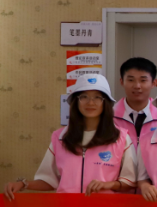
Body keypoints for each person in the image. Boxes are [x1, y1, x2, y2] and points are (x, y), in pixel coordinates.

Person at [5, 74, 136, 199]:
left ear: (105, 103)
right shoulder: (60, 137)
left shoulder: (120, 138)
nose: (90, 102)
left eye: (97, 97)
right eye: (84, 97)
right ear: (76, 102)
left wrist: (109, 184)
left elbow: (130, 181)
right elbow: (49, 180)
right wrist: (23, 184)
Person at [114, 57, 157, 148]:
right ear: (122, 82)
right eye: (131, 80)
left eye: (143, 80)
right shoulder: (109, 116)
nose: (137, 86)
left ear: (153, 83)